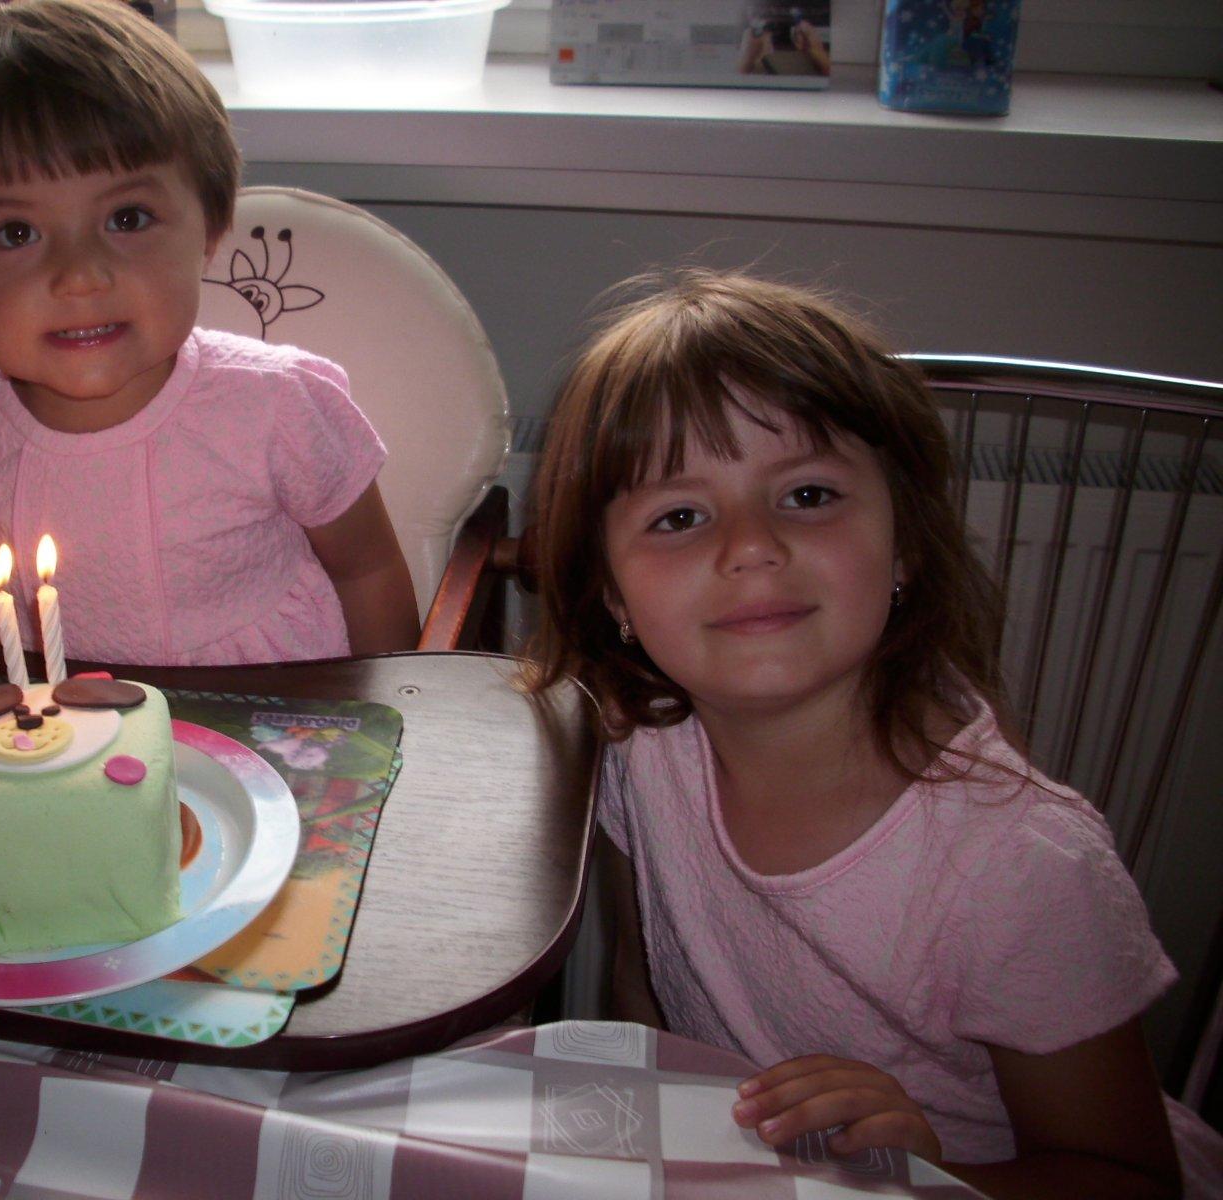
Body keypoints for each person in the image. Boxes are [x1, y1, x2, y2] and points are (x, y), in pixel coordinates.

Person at [523, 269, 1223, 1198]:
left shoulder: (1021, 869)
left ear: (906, 544)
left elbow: (1129, 1179)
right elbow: (642, 989)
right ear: (613, 593)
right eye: (680, 516)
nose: (751, 546)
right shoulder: (638, 744)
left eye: (808, 495)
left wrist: (931, 1171)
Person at [0, 0, 419, 666]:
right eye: (16, 233)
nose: (80, 276)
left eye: (127, 218)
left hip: (268, 706)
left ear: (210, 230)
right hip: (53, 716)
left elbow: (368, 571)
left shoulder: (277, 407)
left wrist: (388, 715)